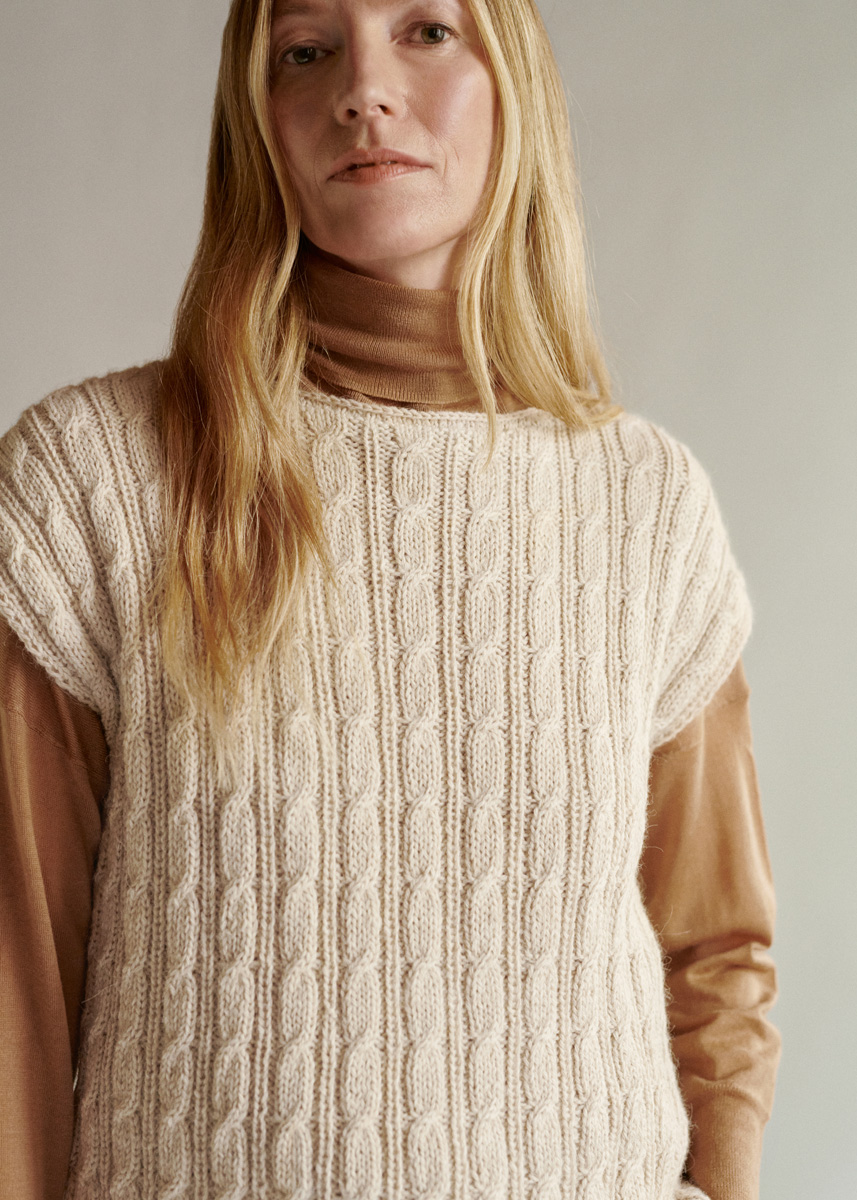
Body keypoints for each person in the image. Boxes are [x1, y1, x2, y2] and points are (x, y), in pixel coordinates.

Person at [0, 1, 780, 1197]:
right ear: (256, 121)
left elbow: (714, 952)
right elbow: (15, 986)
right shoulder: (92, 481)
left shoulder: (646, 506)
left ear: (512, 81)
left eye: (425, 30)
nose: (361, 90)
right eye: (304, 51)